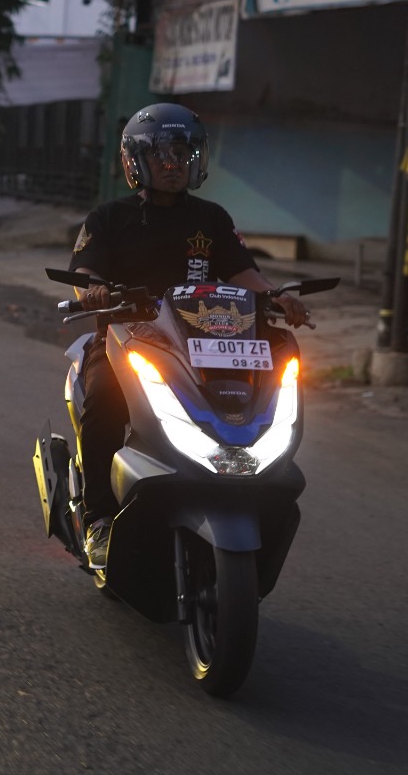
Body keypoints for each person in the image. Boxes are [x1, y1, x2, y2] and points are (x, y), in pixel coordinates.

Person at [67, 103, 311, 571]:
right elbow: (84, 271)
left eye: (182, 152)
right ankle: (97, 518)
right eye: (160, 154)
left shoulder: (212, 219)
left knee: (251, 399)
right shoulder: (108, 218)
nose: (173, 163)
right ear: (135, 160)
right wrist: (92, 291)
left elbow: (247, 277)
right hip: (128, 341)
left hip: (202, 344)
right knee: (103, 401)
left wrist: (280, 298)